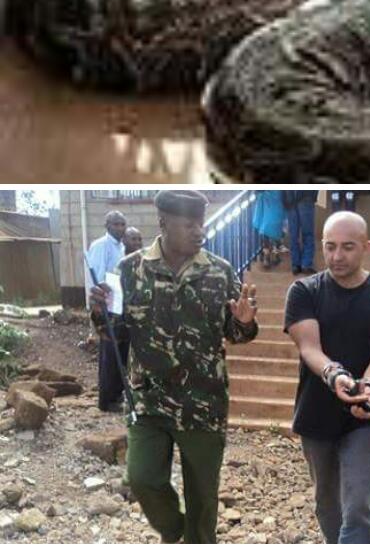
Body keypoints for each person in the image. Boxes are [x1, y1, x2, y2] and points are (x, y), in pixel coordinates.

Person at [89, 190, 259, 544]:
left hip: (203, 403)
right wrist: (98, 310)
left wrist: (244, 321)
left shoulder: (220, 271)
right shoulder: (129, 269)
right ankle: (173, 530)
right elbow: (113, 334)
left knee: (203, 497)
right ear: (164, 223)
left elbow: (237, 334)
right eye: (189, 224)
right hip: (149, 400)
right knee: (142, 478)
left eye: (201, 223)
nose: (200, 232)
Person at [284, 211, 370, 544]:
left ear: (367, 246)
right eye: (330, 246)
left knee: (357, 507)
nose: (337, 256)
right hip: (316, 409)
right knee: (327, 503)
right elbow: (309, 347)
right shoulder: (303, 292)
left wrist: (366, 386)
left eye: (348, 247)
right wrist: (334, 374)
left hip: (367, 412)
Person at [86, 210, 128, 412]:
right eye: (117, 224)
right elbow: (97, 278)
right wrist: (98, 308)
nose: (121, 228)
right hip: (106, 308)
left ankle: (117, 395)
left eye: (123, 224)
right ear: (107, 226)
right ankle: (106, 400)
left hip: (119, 306)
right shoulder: (101, 246)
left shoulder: (121, 247)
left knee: (121, 352)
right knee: (109, 354)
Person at [282, 190, 318, 275]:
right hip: (305, 198)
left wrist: (284, 200)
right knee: (308, 234)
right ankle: (306, 264)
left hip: (290, 199)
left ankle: (296, 265)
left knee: (294, 235)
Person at [252, 190, 285, 269]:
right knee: (277, 238)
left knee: (265, 240)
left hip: (266, 223)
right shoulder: (281, 193)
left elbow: (258, 211)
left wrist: (257, 223)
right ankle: (277, 256)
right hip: (277, 220)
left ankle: (266, 259)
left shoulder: (263, 195)